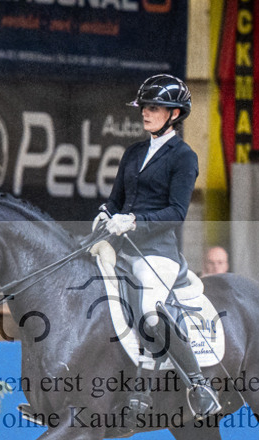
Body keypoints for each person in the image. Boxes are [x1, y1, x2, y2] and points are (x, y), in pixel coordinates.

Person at [94, 74, 219, 418]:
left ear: (174, 114)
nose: (145, 113)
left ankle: (198, 384)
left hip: (157, 251)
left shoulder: (184, 157)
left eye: (153, 108)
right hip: (121, 247)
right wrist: (106, 213)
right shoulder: (133, 153)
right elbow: (116, 199)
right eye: (144, 108)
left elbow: (177, 213)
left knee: (150, 311)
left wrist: (134, 221)